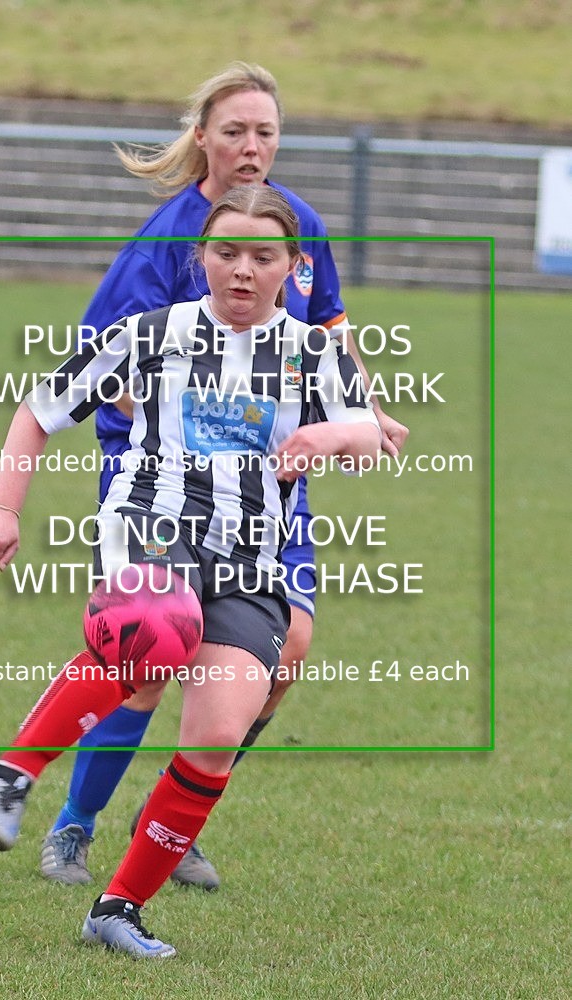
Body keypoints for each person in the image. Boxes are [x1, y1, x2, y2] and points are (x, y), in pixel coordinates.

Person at [0, 185, 382, 958]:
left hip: (252, 559)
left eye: (264, 256)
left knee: (218, 732)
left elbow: (366, 427)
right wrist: (4, 507)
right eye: (227, 253)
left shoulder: (312, 351)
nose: (244, 270)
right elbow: (40, 408)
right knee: (155, 630)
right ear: (201, 258)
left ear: (293, 265)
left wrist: (335, 440)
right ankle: (8, 779)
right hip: (153, 520)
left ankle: (117, 908)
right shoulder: (149, 332)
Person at [36, 62, 409, 889]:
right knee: (147, 656)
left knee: (286, 650)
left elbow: (329, 336)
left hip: (271, 479)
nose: (251, 146)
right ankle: (72, 824)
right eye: (235, 130)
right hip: (158, 477)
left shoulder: (295, 222)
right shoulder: (167, 240)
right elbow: (105, 364)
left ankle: (171, 816)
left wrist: (359, 415)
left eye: (266, 131)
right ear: (201, 135)